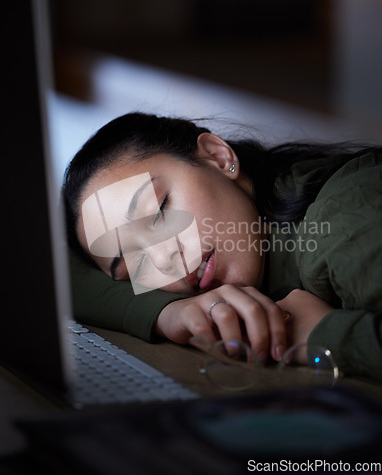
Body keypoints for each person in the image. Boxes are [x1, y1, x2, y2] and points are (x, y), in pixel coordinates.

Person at [62, 112, 382, 382]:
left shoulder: (343, 226)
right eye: (134, 264)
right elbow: (48, 271)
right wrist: (167, 312)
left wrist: (328, 334)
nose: (164, 260)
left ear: (218, 156)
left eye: (159, 211)